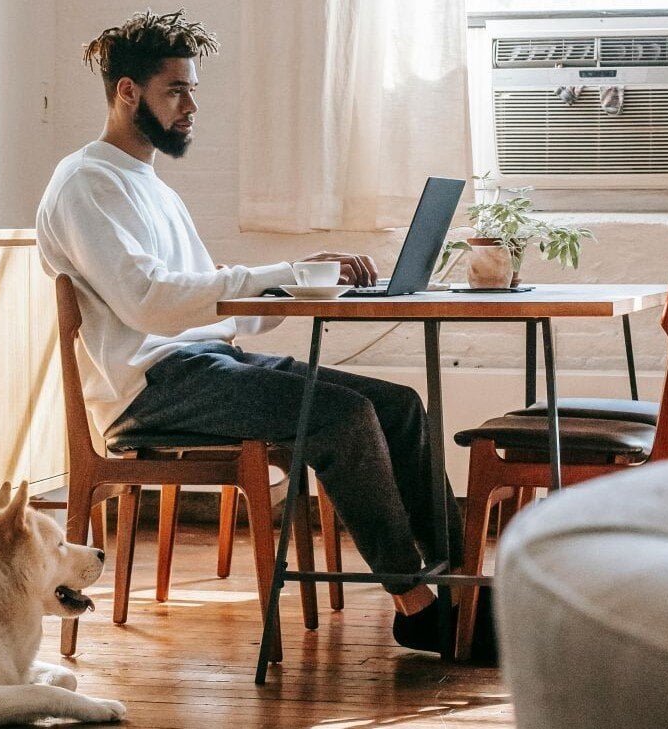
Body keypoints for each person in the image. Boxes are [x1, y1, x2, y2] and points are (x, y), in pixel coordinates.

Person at [35, 9, 463, 652]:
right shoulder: (85, 183)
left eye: (193, 91)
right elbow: (149, 302)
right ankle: (417, 604)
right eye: (176, 90)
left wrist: (307, 286)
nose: (190, 107)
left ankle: (468, 590)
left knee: (398, 407)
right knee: (342, 418)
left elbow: (215, 302)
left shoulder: (149, 185)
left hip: (207, 365)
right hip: (153, 388)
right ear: (128, 92)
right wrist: (280, 271)